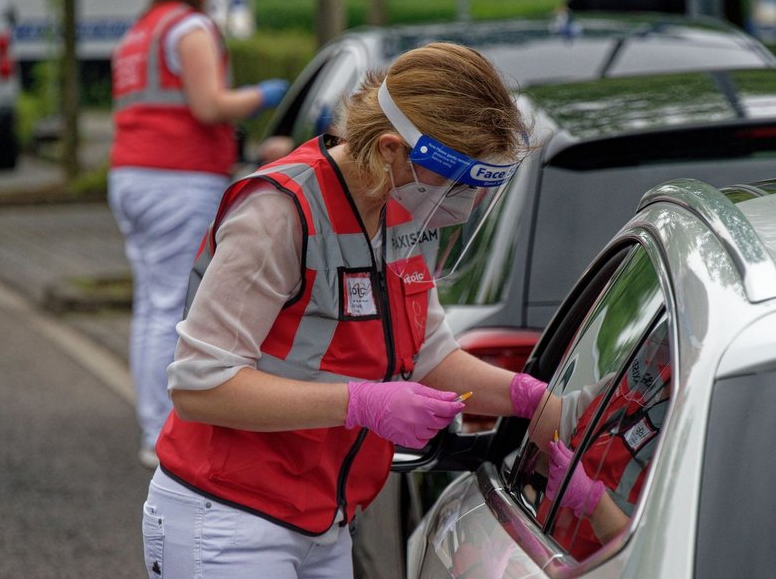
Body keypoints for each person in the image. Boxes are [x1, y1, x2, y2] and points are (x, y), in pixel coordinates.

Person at [141, 42, 551, 579]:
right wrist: (361, 403)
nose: (468, 205)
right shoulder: (279, 212)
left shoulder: (402, 208)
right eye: (461, 184)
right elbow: (198, 387)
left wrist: (535, 401)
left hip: (327, 524)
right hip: (229, 518)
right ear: (390, 150)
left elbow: (430, 356)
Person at [108, 0, 288, 468]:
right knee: (171, 303)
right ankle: (162, 431)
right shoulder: (189, 28)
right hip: (178, 176)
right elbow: (209, 105)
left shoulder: (142, 29)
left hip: (132, 173)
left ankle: (152, 425)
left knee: (151, 303)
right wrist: (262, 95)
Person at [534, 321, 672, 559]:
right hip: (547, 553)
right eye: (660, 340)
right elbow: (553, 438)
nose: (655, 353)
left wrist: (592, 501)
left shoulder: (695, 436)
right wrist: (528, 397)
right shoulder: (620, 385)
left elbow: (652, 557)